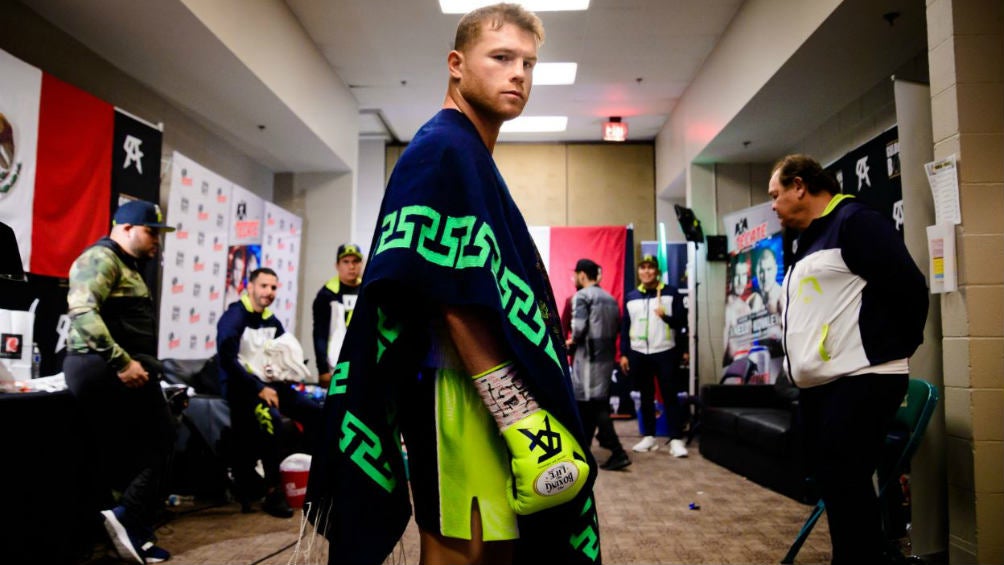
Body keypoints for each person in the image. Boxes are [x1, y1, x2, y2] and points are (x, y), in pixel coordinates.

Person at [305, 4, 601, 564]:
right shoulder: (444, 147)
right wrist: (516, 409)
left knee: (496, 549)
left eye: (529, 63)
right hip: (459, 391)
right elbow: (447, 291)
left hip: (470, 388)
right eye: (502, 58)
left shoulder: (465, 151)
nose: (519, 74)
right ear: (457, 64)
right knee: (465, 551)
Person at [769, 154, 928, 564]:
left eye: (776, 194)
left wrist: (895, 348)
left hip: (862, 377)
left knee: (846, 479)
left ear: (800, 186)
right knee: (837, 485)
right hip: (826, 384)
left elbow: (909, 287)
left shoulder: (855, 221)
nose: (773, 205)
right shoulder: (808, 238)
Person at [64, 200, 176, 564]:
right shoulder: (101, 258)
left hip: (119, 367)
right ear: (125, 228)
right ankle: (126, 519)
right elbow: (82, 311)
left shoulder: (127, 265)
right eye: (151, 231)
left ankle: (131, 526)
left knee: (136, 450)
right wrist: (123, 362)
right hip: (100, 367)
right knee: (162, 437)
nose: (157, 240)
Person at [216, 267, 320, 518]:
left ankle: (316, 481)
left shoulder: (271, 320)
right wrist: (258, 387)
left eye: (273, 287)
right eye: (264, 286)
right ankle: (273, 492)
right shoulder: (234, 317)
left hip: (269, 386)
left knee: (314, 412)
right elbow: (228, 361)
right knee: (270, 420)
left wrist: (289, 371)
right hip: (243, 389)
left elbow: (284, 352)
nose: (269, 292)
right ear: (250, 287)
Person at [619, 254, 688, 458]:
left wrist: (664, 316)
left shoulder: (671, 293)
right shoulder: (631, 296)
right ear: (639, 271)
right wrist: (624, 353)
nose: (647, 271)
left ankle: (675, 439)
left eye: (651, 268)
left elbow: (681, 323)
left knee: (669, 395)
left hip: (665, 351)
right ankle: (649, 436)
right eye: (643, 267)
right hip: (639, 353)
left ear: (657, 271)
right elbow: (625, 327)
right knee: (646, 396)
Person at [567, 258, 630, 471]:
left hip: (587, 362)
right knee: (591, 405)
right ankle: (583, 450)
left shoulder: (582, 296)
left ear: (582, 275)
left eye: (576, 274)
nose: (574, 278)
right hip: (605, 360)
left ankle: (617, 451)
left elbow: (578, 330)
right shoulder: (611, 299)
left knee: (595, 405)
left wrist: (570, 342)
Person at [311, 243, 363, 389]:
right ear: (337, 265)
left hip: (364, 362)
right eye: (346, 262)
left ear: (362, 263)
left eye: (355, 261)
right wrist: (322, 370)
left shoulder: (368, 290)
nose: (351, 266)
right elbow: (320, 334)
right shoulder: (326, 295)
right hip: (336, 365)